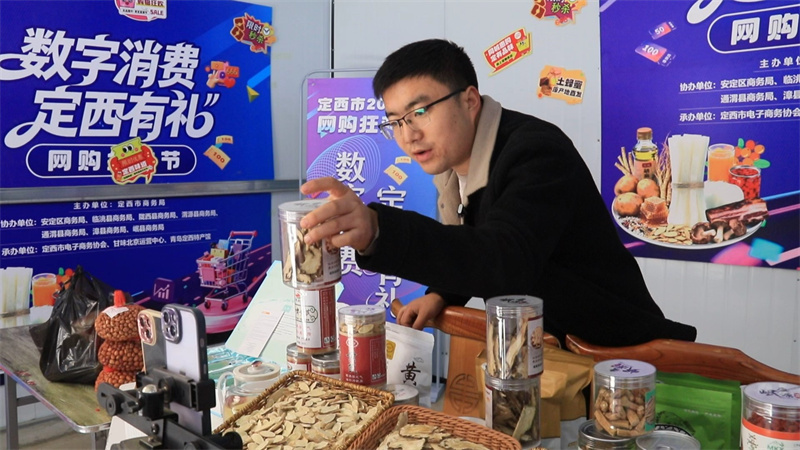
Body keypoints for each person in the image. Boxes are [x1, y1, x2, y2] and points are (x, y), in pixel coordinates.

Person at [299, 39, 696, 347]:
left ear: (469, 101)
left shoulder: (536, 151)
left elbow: (506, 259)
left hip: (614, 349)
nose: (409, 135)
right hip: (545, 345)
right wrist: (442, 295)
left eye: (419, 112)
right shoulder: (457, 166)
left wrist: (379, 229)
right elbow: (476, 243)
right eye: (396, 122)